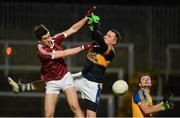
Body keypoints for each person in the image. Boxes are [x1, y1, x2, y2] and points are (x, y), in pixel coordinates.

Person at [8, 12, 120, 117]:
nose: (105, 36)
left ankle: (20, 88)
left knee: (88, 115)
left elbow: (83, 33)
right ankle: (21, 88)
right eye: (106, 34)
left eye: (109, 36)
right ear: (39, 41)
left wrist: (93, 25)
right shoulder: (42, 51)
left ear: (114, 42)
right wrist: (90, 25)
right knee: (50, 81)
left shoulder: (110, 51)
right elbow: (69, 46)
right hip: (81, 77)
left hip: (93, 85)